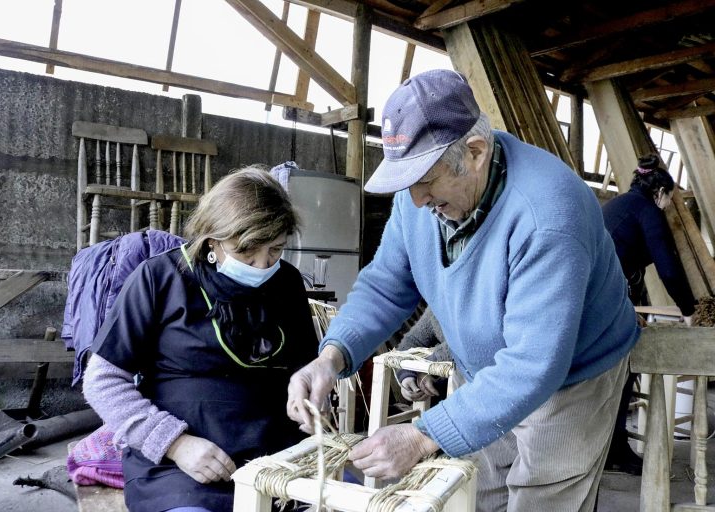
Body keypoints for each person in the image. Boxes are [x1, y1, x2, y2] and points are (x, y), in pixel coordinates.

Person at [286, 69, 641, 511]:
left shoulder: (547, 214)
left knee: (543, 497)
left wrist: (422, 435)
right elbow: (385, 285)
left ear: (474, 153)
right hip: (486, 370)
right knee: (479, 494)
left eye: (426, 182)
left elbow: (535, 363)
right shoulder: (419, 191)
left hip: (572, 373)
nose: (415, 200)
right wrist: (330, 357)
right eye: (407, 182)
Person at [82, 167, 318, 512]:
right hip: (180, 469)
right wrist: (174, 444)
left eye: (275, 250)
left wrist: (308, 394)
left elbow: (305, 366)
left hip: (277, 457)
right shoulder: (160, 278)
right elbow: (102, 381)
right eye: (246, 252)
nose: (261, 265)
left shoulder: (287, 282)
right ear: (212, 241)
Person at [601, 153, 697, 475]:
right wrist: (689, 312)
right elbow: (669, 270)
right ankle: (615, 451)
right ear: (660, 193)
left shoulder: (621, 205)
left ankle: (612, 448)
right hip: (603, 297)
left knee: (619, 373)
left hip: (594, 292)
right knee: (627, 366)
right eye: (670, 198)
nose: (670, 205)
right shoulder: (647, 211)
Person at [394, 307, 452, 402]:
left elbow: (466, 344)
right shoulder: (438, 305)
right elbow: (412, 340)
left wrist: (427, 368)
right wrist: (406, 374)